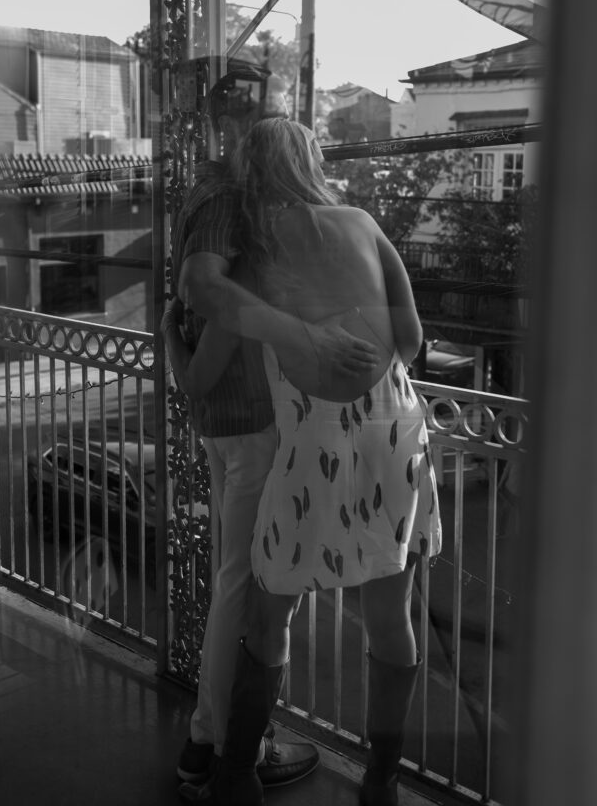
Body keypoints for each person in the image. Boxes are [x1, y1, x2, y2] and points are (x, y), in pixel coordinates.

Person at [163, 117, 442, 806]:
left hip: (314, 441)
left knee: (270, 612)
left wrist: (170, 338)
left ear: (249, 172)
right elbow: (408, 341)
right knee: (390, 617)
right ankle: (379, 783)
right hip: (394, 434)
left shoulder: (252, 258)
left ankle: (233, 779)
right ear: (310, 161)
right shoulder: (360, 220)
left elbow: (199, 382)